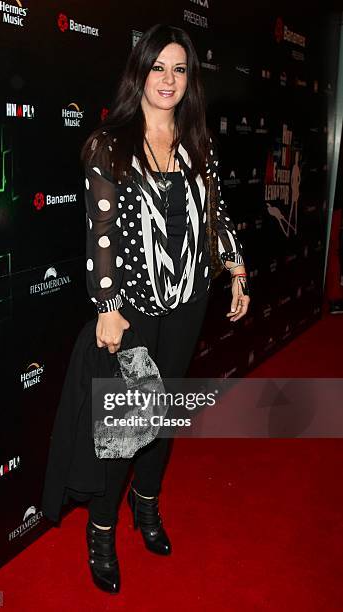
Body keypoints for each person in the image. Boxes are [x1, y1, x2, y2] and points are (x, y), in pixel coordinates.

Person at [80, 23, 250, 593]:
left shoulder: (197, 141)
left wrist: (236, 268)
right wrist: (107, 305)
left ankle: (145, 507)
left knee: (166, 417)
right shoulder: (112, 143)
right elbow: (100, 231)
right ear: (141, 72)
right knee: (129, 425)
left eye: (179, 69)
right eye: (159, 67)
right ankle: (101, 528)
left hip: (188, 301)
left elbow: (217, 215)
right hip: (133, 308)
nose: (169, 80)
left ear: (189, 79)